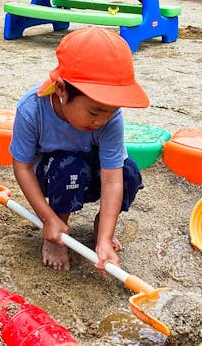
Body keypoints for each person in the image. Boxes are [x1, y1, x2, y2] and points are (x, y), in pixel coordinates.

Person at [9, 27, 149, 271]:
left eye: (111, 112)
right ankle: (56, 233)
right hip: (54, 177)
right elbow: (22, 167)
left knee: (128, 171)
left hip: (90, 176)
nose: (101, 121)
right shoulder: (32, 110)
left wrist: (106, 237)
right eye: (94, 113)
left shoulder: (109, 117)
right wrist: (48, 218)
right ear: (62, 90)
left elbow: (112, 179)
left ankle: (101, 230)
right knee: (70, 165)